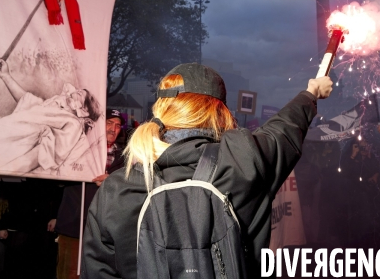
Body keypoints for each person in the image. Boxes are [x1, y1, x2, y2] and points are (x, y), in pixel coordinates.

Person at [81, 62, 333, 279]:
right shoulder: (242, 159)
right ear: (218, 111)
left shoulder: (116, 188)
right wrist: (310, 94)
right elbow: (283, 129)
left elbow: (99, 270)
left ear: (162, 109)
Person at [0, 58, 102, 177]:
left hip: (12, 149)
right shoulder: (54, 106)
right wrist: (5, 75)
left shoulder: (72, 125)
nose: (74, 92)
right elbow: (26, 100)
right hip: (3, 130)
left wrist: (4, 169)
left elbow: (41, 155)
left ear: (84, 110)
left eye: (80, 94)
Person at [51, 109, 126, 279]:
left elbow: (130, 189)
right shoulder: (77, 148)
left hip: (105, 231)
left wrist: (112, 181)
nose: (113, 129)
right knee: (69, 273)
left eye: (118, 125)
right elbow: (54, 178)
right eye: (109, 122)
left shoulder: (125, 158)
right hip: (74, 226)